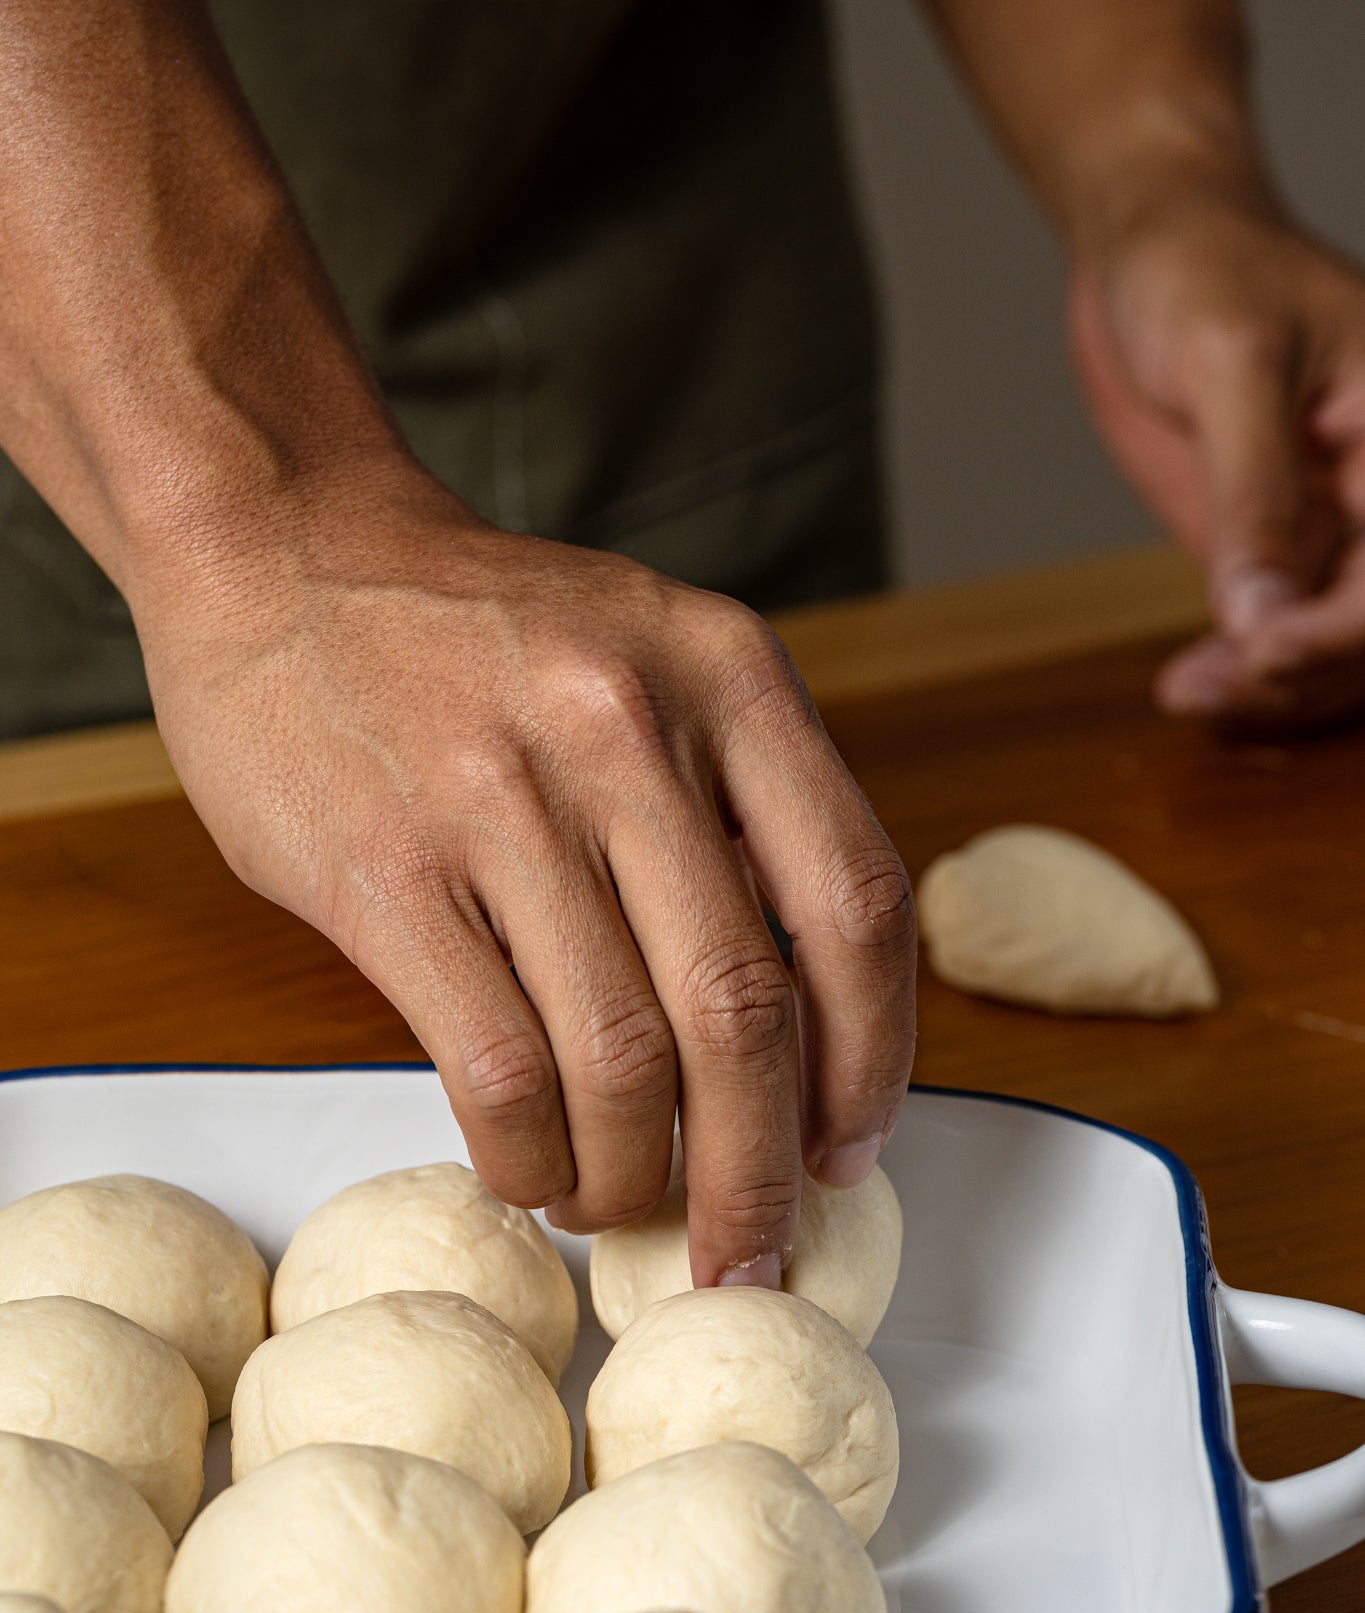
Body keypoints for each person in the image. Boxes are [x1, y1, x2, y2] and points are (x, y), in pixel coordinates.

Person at [1, 1, 1363, 1286]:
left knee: (758, 1002)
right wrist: (259, 522)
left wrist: (1156, 164)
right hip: (78, 418)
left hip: (676, 357)